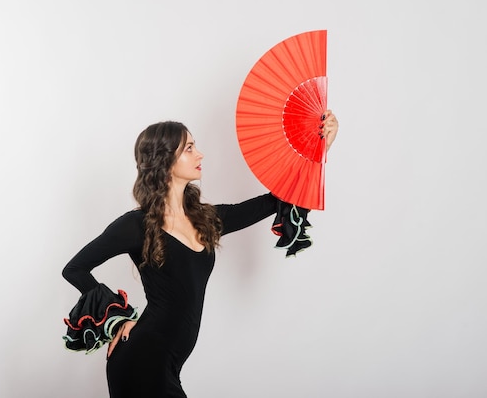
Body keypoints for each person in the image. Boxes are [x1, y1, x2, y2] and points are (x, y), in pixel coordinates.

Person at [62, 111, 339, 397]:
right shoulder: (135, 225)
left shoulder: (206, 219)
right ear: (165, 159)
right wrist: (116, 321)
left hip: (168, 366)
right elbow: (75, 269)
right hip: (141, 361)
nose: (201, 154)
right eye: (190, 148)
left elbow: (274, 200)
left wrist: (320, 149)